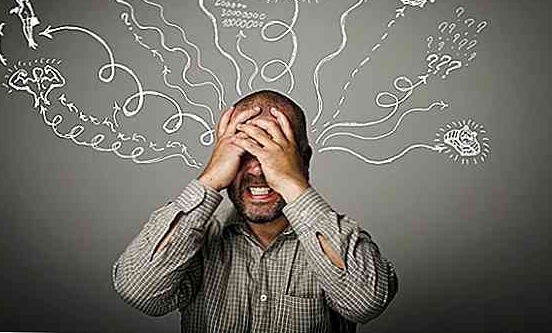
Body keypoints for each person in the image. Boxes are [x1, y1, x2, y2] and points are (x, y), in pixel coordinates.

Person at [112, 90, 398, 333]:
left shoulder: (337, 241)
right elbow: (139, 291)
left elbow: (366, 303)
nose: (258, 169)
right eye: (244, 151)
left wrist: (291, 182)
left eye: (272, 150)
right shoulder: (197, 239)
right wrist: (209, 181)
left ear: (304, 159)